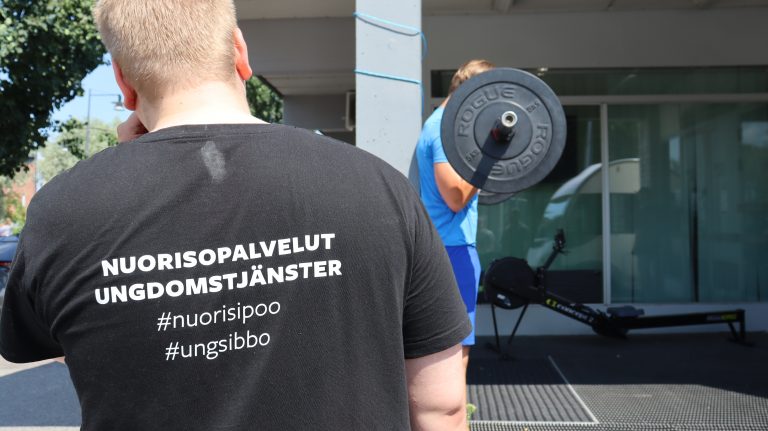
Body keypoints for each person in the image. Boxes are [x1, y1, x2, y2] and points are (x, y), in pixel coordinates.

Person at [0, 1, 472, 430]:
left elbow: (74, 341)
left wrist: (121, 173)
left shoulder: (63, 213)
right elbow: (441, 407)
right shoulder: (379, 187)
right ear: (240, 53)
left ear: (123, 81)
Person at [415, 59, 495, 375]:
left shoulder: (442, 126)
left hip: (452, 247)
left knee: (454, 348)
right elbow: (455, 197)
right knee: (457, 350)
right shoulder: (441, 130)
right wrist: (490, 156)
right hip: (452, 250)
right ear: (471, 92)